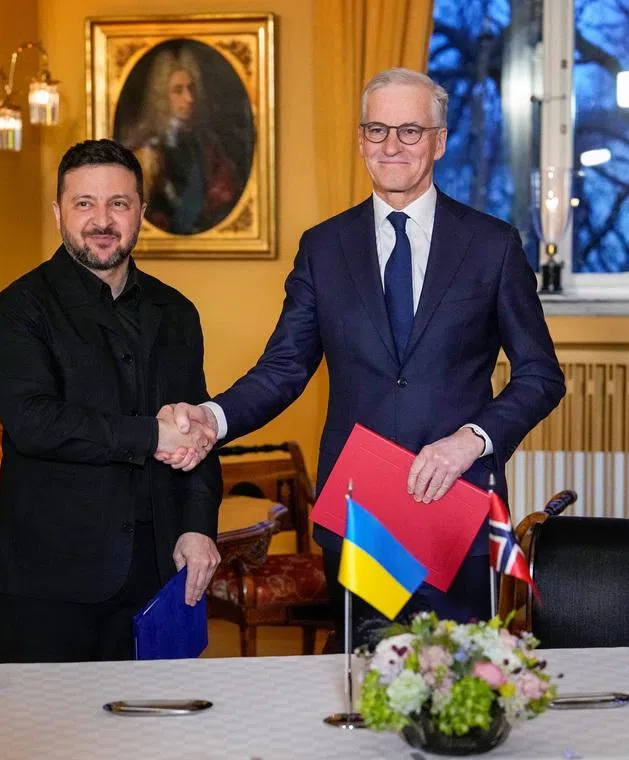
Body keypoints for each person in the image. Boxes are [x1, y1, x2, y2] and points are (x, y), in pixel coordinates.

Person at [161, 68, 565, 643]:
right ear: (360, 141)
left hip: (455, 505)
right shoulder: (324, 247)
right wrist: (213, 417)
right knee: (367, 682)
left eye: (409, 130)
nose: (392, 145)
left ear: (440, 141)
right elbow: (284, 368)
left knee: (460, 686)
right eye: (377, 130)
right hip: (361, 512)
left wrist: (470, 439)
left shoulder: (492, 245)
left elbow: (540, 375)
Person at [0, 139, 222, 663]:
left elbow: (198, 429)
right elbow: (35, 422)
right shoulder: (18, 309)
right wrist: (154, 433)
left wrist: (199, 528)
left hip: (157, 575)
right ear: (58, 213)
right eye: (83, 203)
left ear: (141, 212)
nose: (101, 220)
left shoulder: (176, 312)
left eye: (118, 203)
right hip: (50, 585)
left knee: (156, 740)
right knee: (48, 744)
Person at [123, 45, 241, 235]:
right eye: (178, 91)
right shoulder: (145, 150)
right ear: (161, 97)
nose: (189, 98)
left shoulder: (208, 142)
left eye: (191, 88)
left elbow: (227, 193)